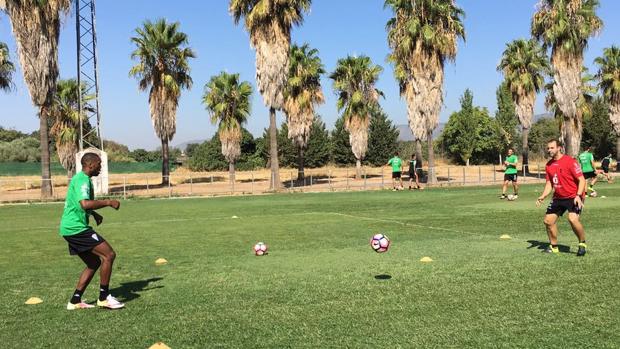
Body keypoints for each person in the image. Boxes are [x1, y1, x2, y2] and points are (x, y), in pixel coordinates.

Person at [60, 152, 124, 310]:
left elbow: (79, 204)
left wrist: (94, 214)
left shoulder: (80, 179)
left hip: (69, 228)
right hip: (76, 228)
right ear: (90, 164)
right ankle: (104, 298)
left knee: (93, 262)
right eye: (99, 164)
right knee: (109, 255)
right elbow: (84, 204)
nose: (100, 167)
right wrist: (108, 202)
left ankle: (75, 301)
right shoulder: (82, 180)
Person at [536, 139, 587, 256]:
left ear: (559, 148)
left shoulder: (570, 162)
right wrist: (543, 195)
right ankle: (553, 246)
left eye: (552, 148)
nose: (549, 150)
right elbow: (549, 183)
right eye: (548, 148)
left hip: (574, 196)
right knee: (548, 221)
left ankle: (582, 243)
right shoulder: (549, 165)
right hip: (558, 197)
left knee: (573, 219)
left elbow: (582, 179)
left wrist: (579, 195)